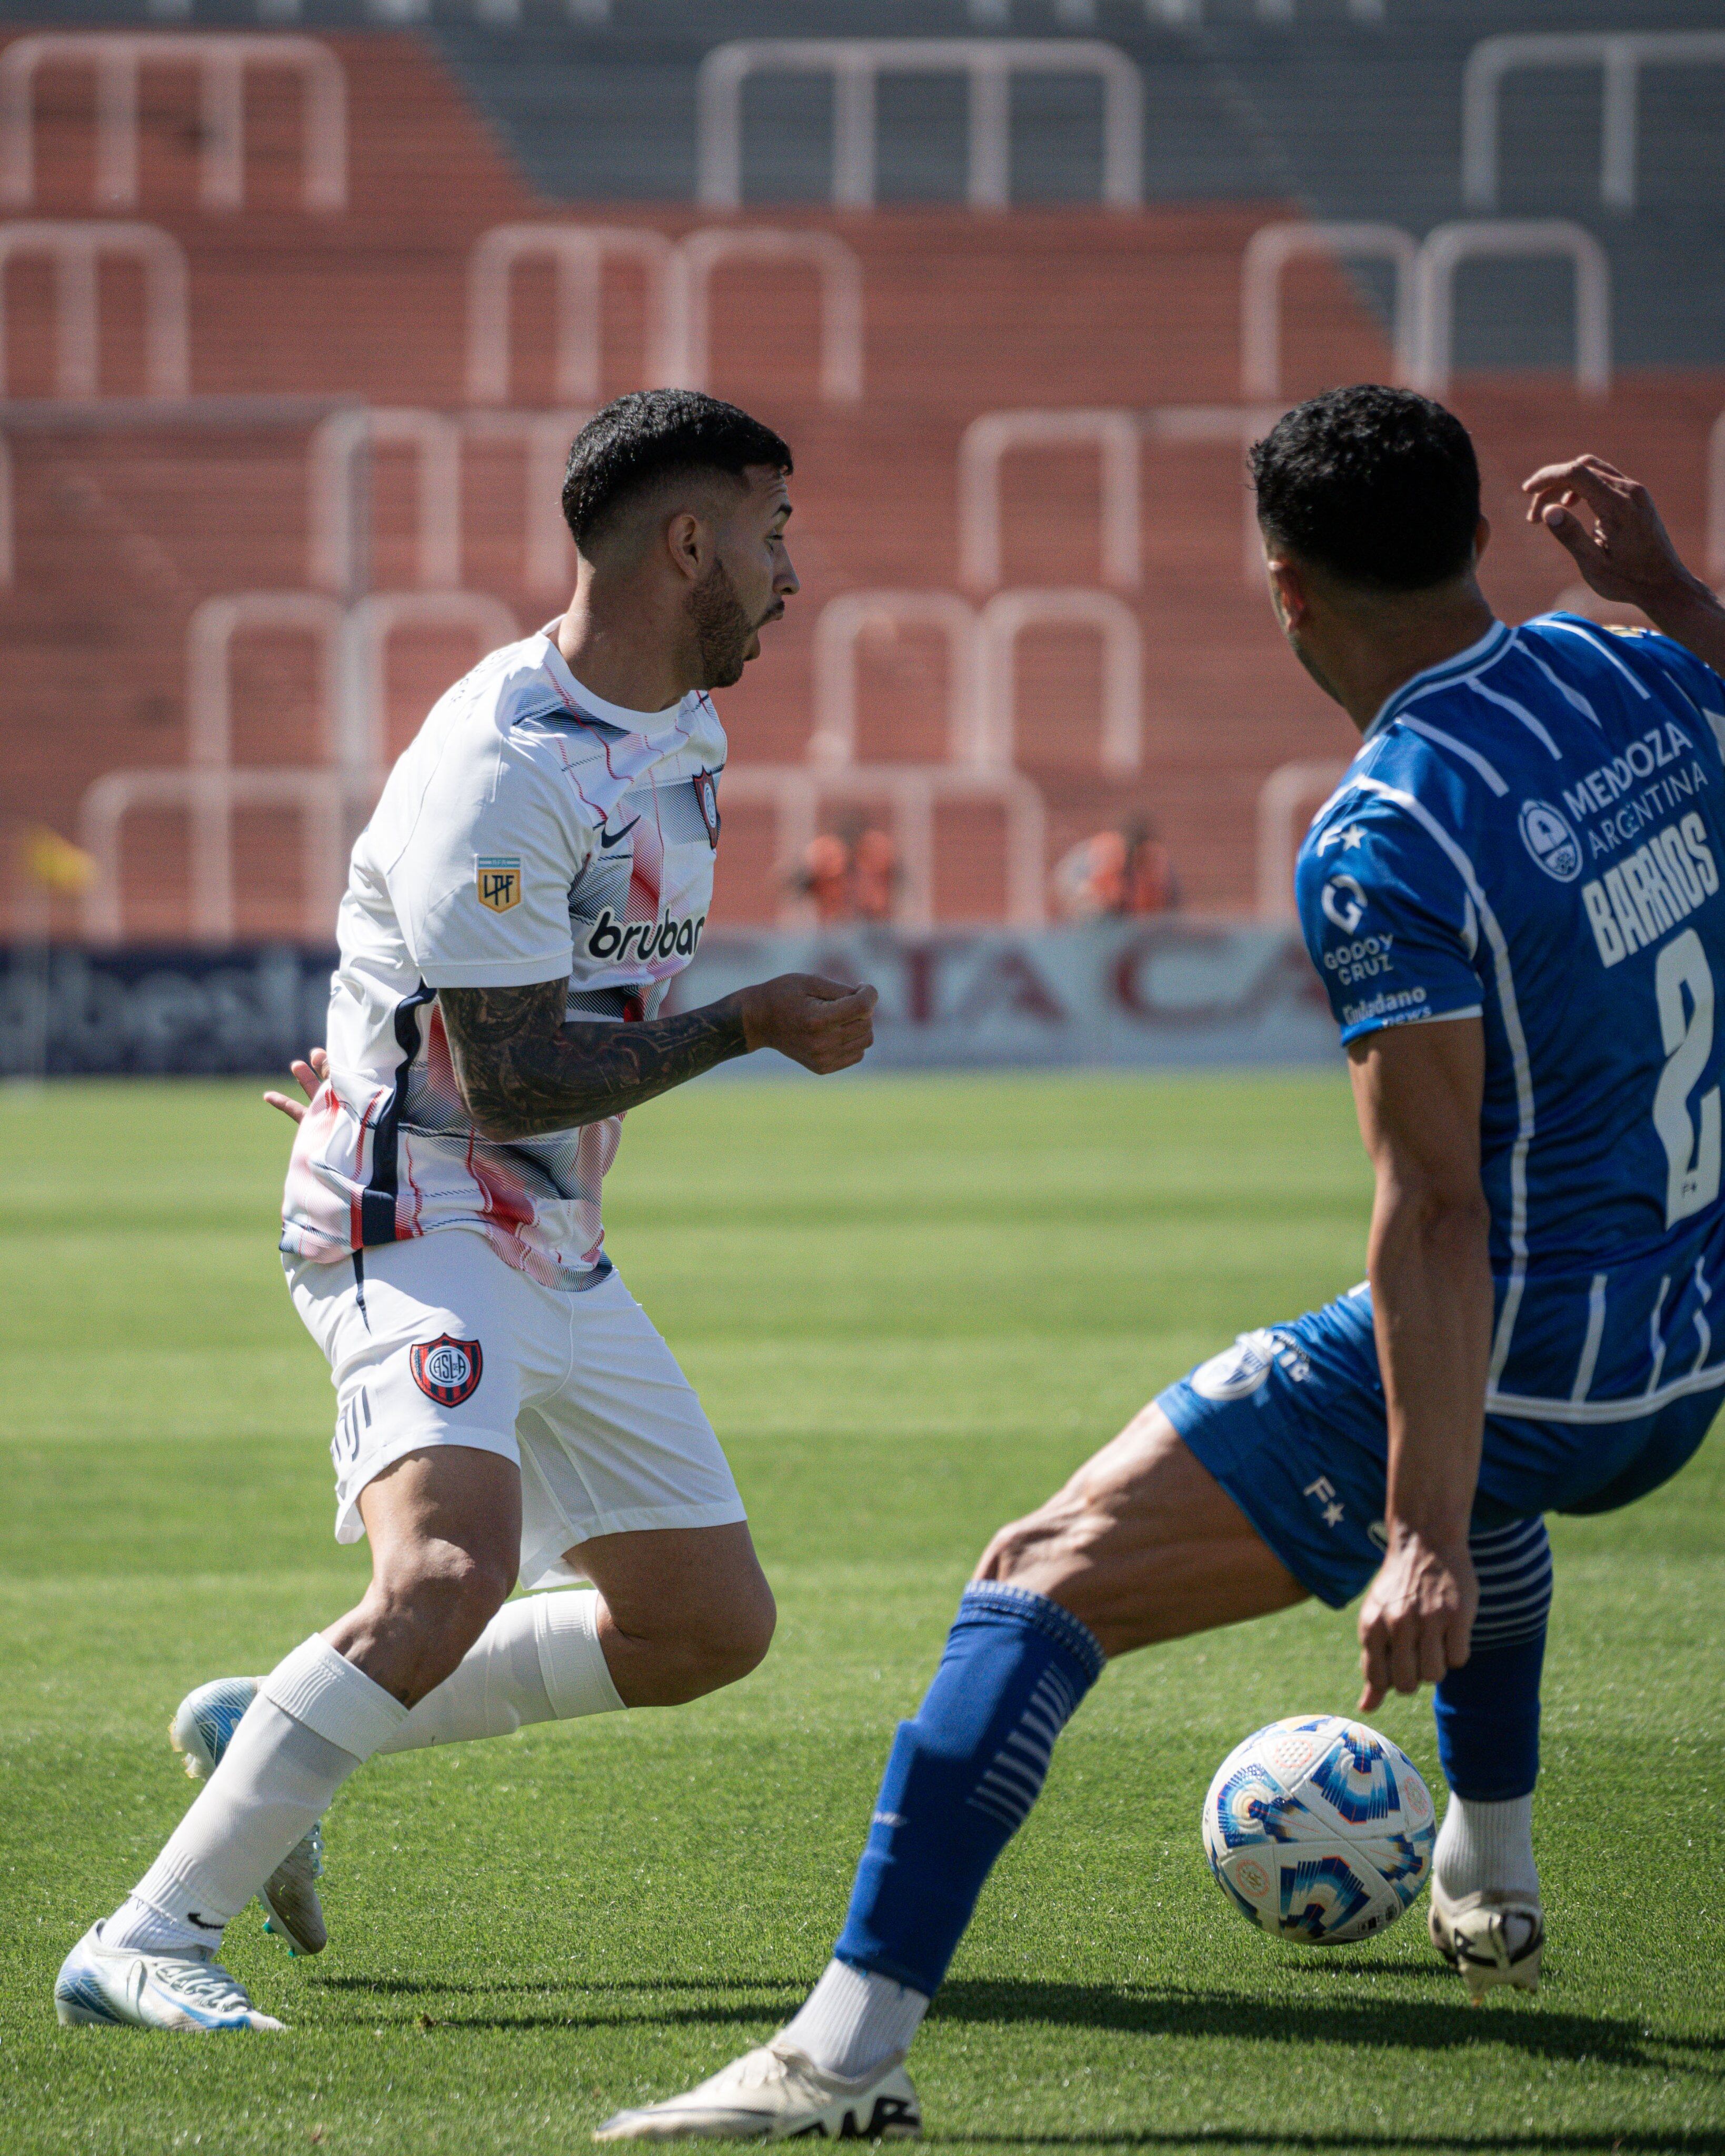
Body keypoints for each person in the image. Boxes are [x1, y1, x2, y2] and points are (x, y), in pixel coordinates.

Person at [593, 394, 1725, 2141]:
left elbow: (1435, 1211)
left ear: (1286, 590)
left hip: (1540, 1356)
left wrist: (1416, 1534)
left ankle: (838, 2060)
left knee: (1039, 1579)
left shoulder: (1390, 829)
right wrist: (1675, 587)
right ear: (1476, 538)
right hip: (1687, 1348)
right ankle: (1487, 1874)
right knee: (1465, 1434)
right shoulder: (1636, 670)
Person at [53, 388, 878, 2033]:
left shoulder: (682, 731)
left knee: (707, 1628)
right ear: (690, 542)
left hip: (543, 1228)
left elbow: (500, 1011)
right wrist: (749, 1024)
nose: (795, 576)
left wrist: (388, 1039)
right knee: (447, 1576)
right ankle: (147, 1938)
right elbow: (501, 1083)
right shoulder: (502, 765)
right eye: (775, 535)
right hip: (423, 1204)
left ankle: (283, 1725)